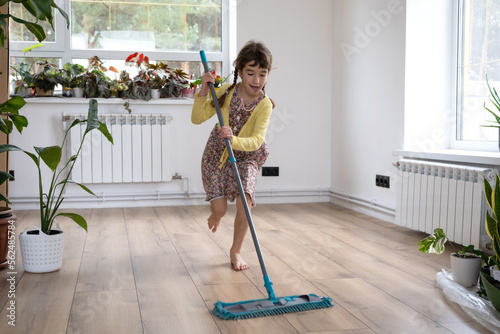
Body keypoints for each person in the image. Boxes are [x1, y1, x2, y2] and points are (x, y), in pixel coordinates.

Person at [191, 40, 274, 271]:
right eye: (250, 73)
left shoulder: (264, 105)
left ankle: (235, 251)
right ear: (240, 71)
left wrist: (234, 140)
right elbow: (197, 118)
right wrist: (204, 90)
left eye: (262, 74)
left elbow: (257, 140)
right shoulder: (227, 91)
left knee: (244, 203)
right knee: (220, 209)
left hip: (247, 156)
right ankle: (216, 214)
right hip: (218, 156)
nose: (256, 81)